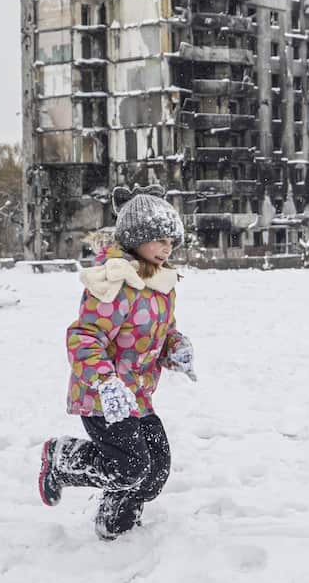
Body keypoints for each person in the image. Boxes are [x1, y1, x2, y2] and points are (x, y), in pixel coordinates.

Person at [36, 184, 197, 540]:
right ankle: (62, 459)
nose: (167, 247)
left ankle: (115, 522)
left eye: (171, 241)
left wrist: (175, 348)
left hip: (137, 396)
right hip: (102, 397)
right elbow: (84, 337)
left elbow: (163, 332)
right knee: (129, 466)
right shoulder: (113, 282)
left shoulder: (161, 285)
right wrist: (105, 382)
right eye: (159, 240)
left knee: (155, 470)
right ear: (136, 238)